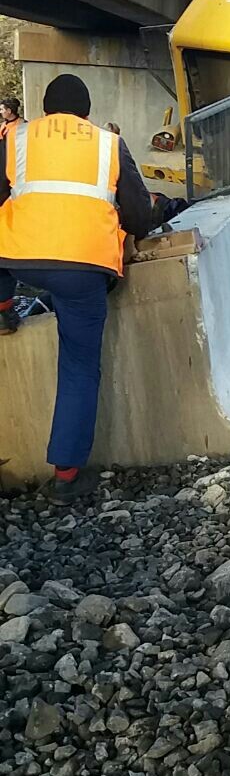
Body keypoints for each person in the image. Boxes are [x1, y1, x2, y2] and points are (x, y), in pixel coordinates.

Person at [0, 74, 152, 504]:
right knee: (79, 367)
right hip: (84, 268)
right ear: (86, 112)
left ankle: (4, 305)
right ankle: (66, 476)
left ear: (46, 110)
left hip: (17, 255)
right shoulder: (108, 144)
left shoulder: (17, 136)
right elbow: (140, 214)